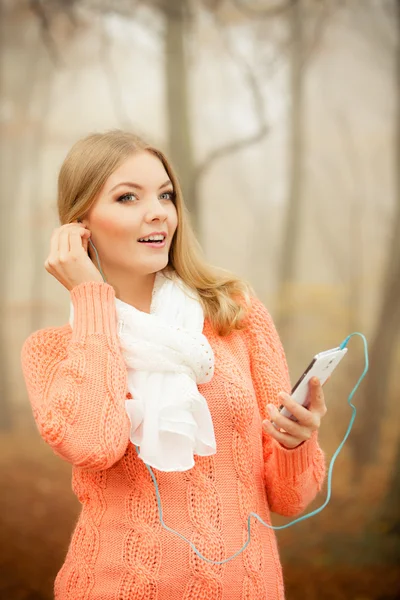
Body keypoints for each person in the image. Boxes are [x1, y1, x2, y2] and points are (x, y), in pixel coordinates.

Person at [21, 129, 327, 600]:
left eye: (165, 195)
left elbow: (292, 497)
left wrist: (297, 442)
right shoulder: (54, 350)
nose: (158, 211)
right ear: (78, 225)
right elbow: (94, 443)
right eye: (127, 197)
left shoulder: (234, 313)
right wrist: (90, 299)